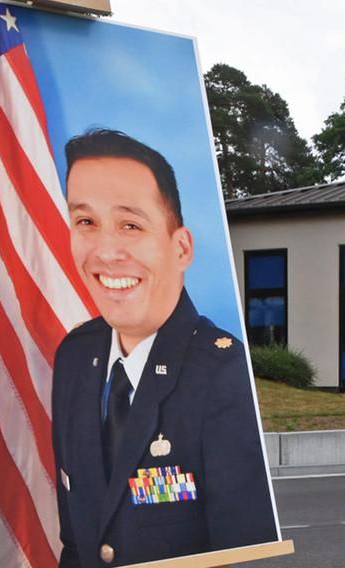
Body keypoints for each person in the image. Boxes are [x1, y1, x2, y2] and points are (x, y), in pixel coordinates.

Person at [52, 128, 278, 567]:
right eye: (86, 222)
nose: (105, 250)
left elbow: (245, 556)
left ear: (181, 248)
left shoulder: (223, 372)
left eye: (130, 225)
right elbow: (78, 545)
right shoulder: (73, 358)